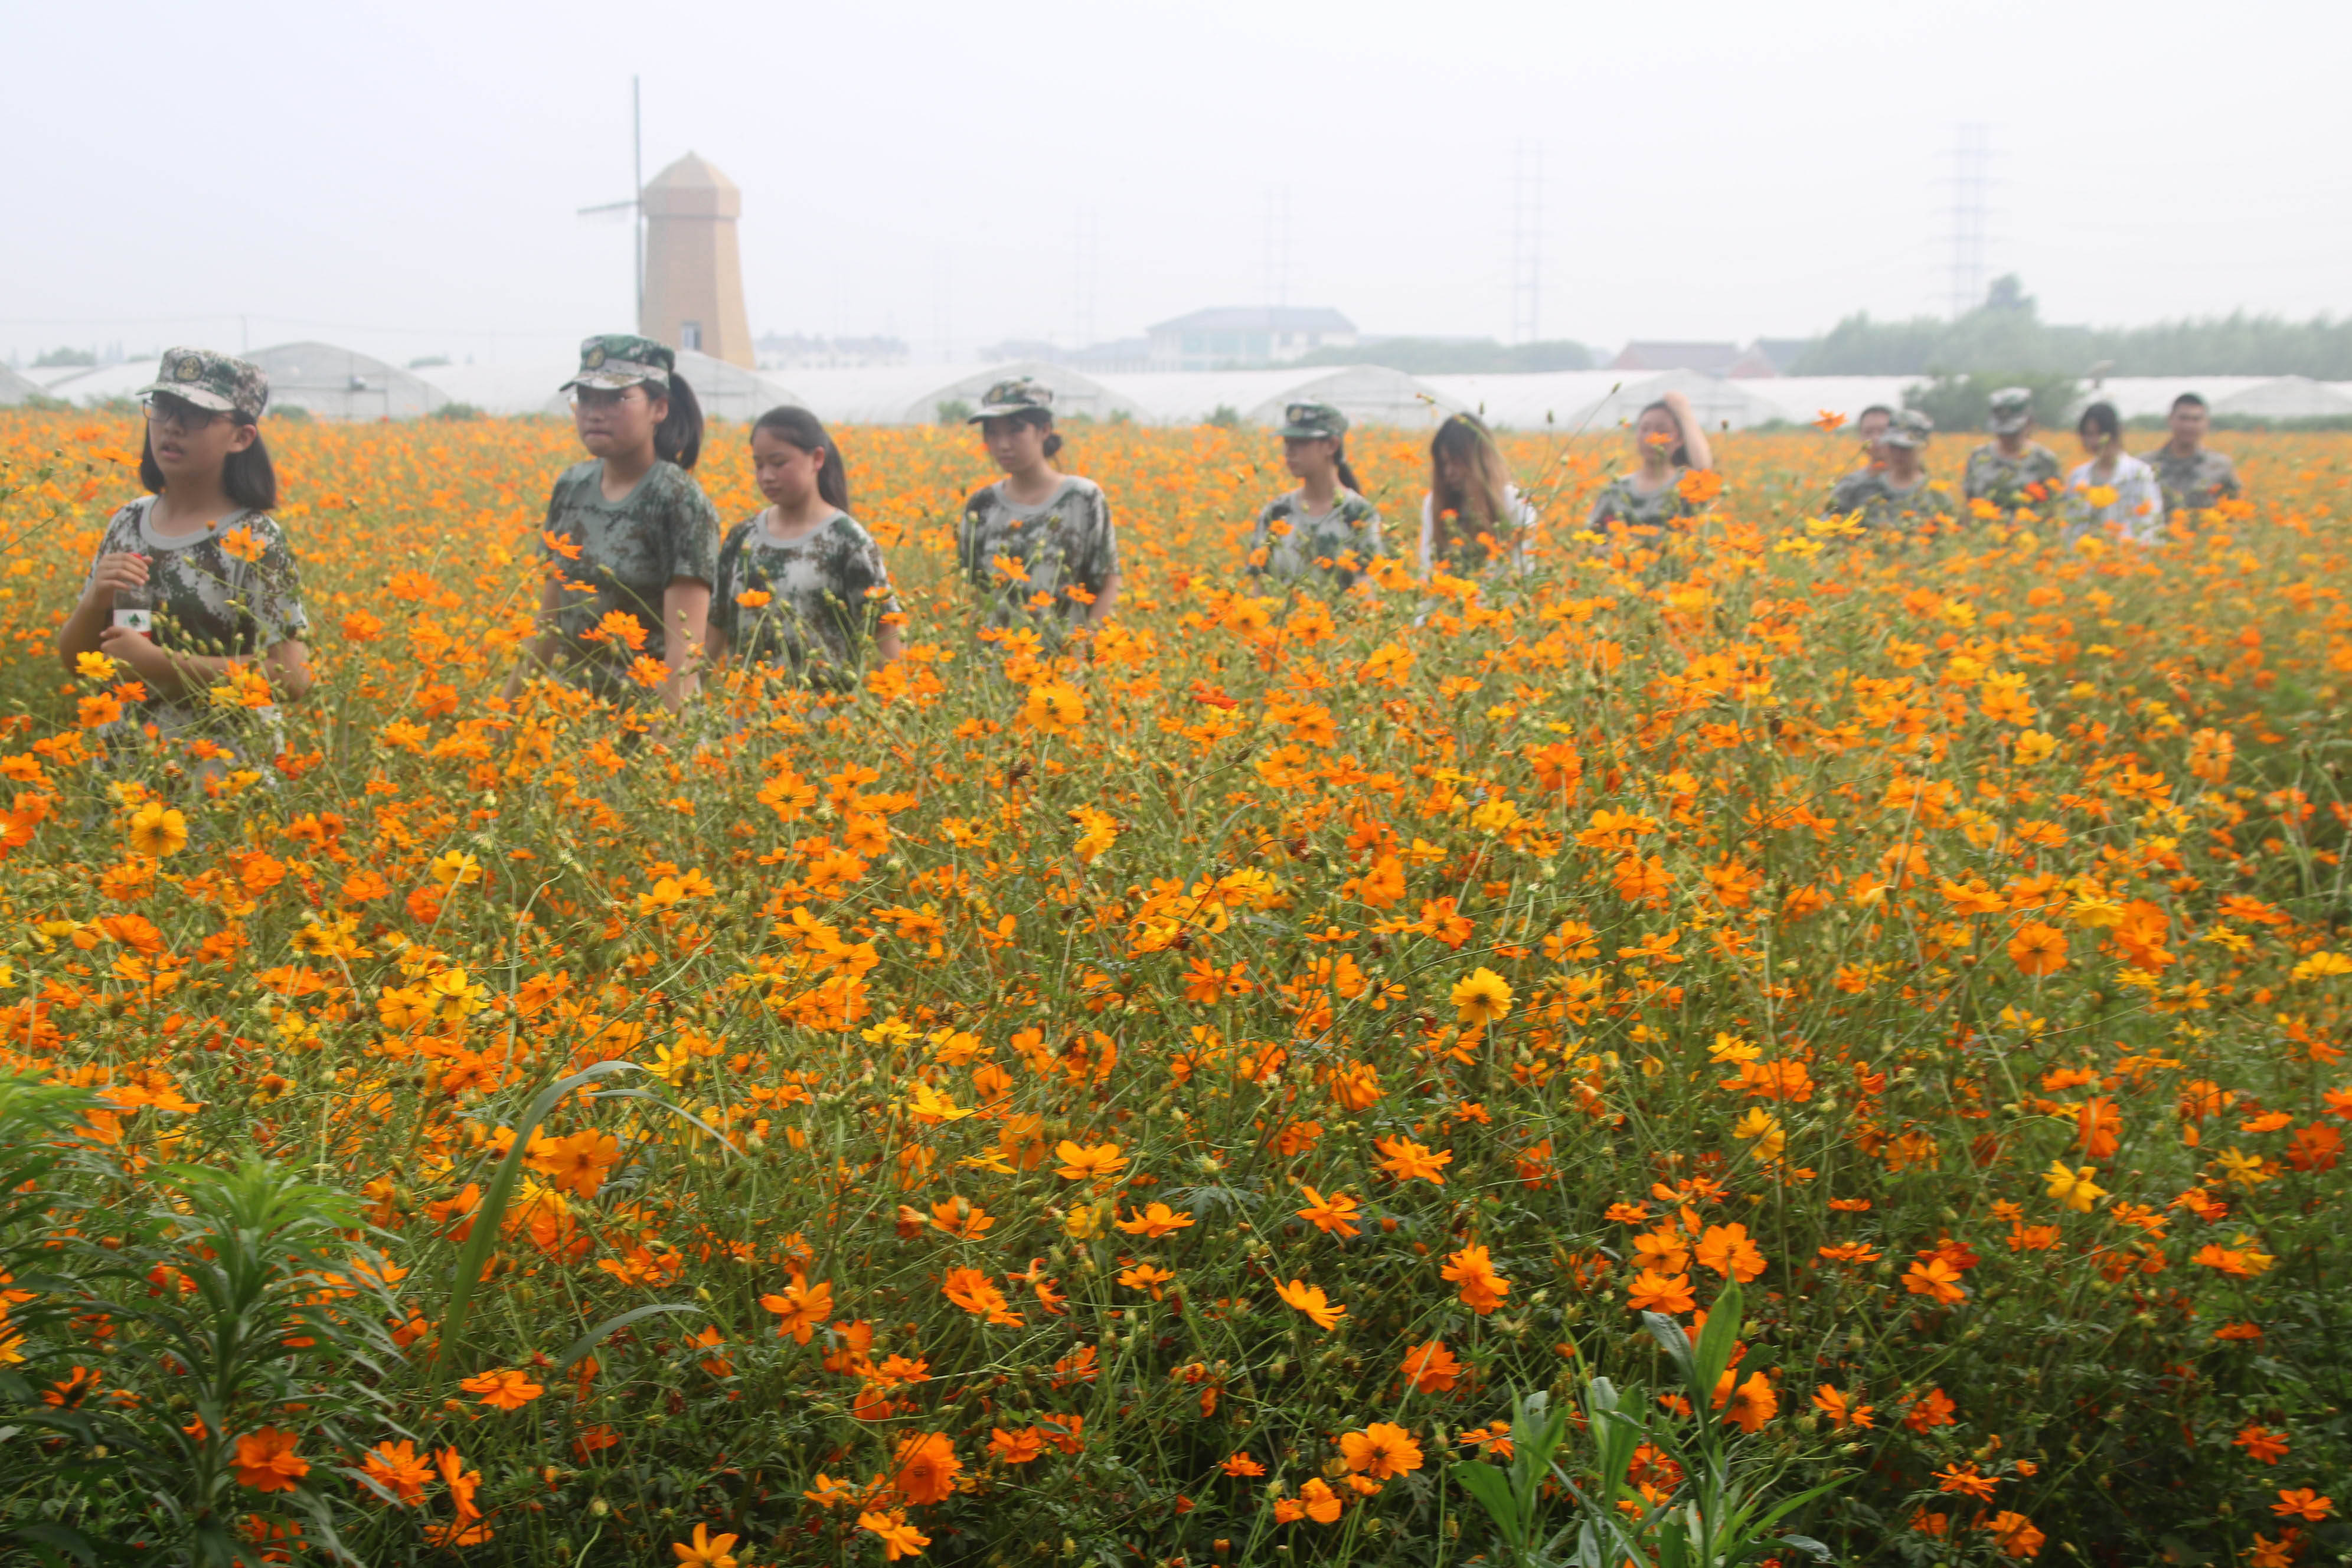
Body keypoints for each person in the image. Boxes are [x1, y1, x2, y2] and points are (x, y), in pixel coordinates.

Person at [58, 347, 311, 758]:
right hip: (128, 776)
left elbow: (293, 676)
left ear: (241, 437)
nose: (172, 427)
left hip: (225, 785)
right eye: (163, 407)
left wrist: (161, 663)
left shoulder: (256, 540)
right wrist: (93, 603)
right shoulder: (127, 522)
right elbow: (78, 663)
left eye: (195, 414)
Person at [511, 335, 720, 712]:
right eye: (586, 398)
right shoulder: (571, 486)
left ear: (659, 408)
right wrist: (501, 721)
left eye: (616, 399)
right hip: (573, 724)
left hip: (645, 723)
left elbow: (685, 649)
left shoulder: (677, 499)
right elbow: (548, 622)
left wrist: (664, 753)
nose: (595, 412)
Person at [709, 407, 902, 688]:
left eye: (778, 463)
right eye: (759, 465)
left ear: (817, 459)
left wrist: (892, 705)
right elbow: (716, 623)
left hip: (826, 721)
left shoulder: (848, 541)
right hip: (747, 719)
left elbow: (885, 629)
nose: (767, 476)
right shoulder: (742, 537)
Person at [957, 379, 1119, 640]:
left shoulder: (1083, 498)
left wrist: (1082, 655)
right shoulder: (981, 505)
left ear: (1044, 430)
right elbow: (977, 595)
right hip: (998, 667)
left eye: (1015, 431)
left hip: (1064, 666)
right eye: (993, 433)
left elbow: (1109, 583)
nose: (1002, 445)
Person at [1244, 402, 1383, 590]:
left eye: (1301, 442)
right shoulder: (1276, 512)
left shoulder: (1360, 516)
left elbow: (1369, 594)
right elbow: (1259, 590)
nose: (1289, 451)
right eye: (1287, 442)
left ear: (1332, 445)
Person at [1421, 413, 1537, 575]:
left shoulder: (1516, 503)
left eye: (1455, 462)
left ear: (1479, 461)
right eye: (1443, 464)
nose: (1448, 472)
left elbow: (1522, 572)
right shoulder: (1433, 503)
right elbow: (1428, 569)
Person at [1585, 390, 1715, 534]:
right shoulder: (1617, 488)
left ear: (1680, 439)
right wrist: (1612, 548)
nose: (1651, 437)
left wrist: (1684, 412)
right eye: (1645, 429)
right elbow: (1590, 538)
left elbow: (1704, 471)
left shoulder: (1685, 487)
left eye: (1662, 430)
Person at [2063, 401, 2165, 544]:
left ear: (2117, 432)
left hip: (2126, 556)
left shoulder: (2139, 473)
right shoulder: (2077, 476)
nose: (2095, 441)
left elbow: (2151, 524)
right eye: (2089, 434)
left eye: (2101, 433)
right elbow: (2072, 527)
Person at [1827, 410, 1943, 532]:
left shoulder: (1936, 494)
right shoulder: (1858, 485)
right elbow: (1831, 524)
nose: (1898, 454)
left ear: (1925, 446)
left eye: (1906, 448)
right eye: (1894, 446)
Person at [1961, 387, 2062, 517]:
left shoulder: (2044, 460)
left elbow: (2050, 511)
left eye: (2013, 433)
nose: (2006, 438)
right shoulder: (1979, 457)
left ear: (2029, 423)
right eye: (2001, 432)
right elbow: (1969, 504)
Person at [2142, 393, 2242, 517]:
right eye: (2183, 418)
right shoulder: (2145, 464)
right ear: (2170, 420)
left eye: (2196, 419)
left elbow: (2235, 512)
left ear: (2206, 423)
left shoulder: (2221, 466)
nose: (2189, 426)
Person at [1855, 404, 1894, 468]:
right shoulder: (1852, 478)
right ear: (1860, 437)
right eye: (1868, 432)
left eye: (1883, 431)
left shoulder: (1913, 477)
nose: (1876, 438)